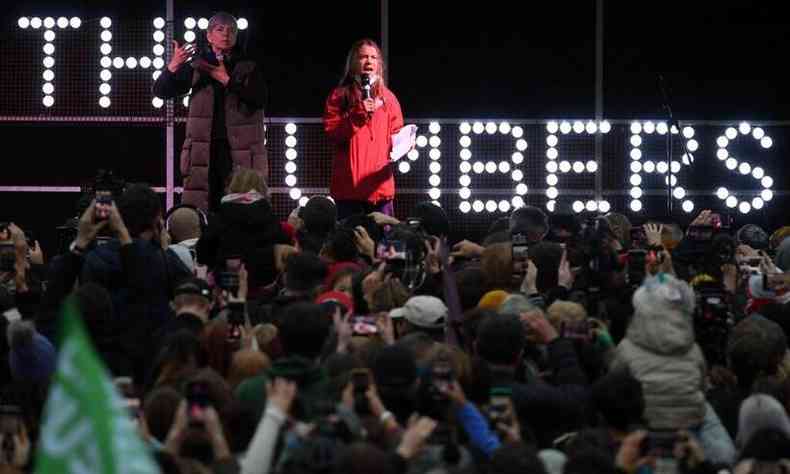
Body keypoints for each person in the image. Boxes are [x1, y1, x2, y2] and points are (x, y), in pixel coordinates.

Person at [153, 12, 267, 212]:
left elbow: (260, 99)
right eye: (220, 29)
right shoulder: (197, 65)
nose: (226, 34)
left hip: (238, 152)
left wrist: (227, 80)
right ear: (208, 35)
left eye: (231, 30)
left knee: (241, 209)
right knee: (204, 210)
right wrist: (173, 66)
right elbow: (161, 92)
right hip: (203, 152)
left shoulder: (248, 65)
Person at [323, 39, 406, 221]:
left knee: (384, 247)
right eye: (363, 57)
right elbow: (333, 133)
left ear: (379, 64)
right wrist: (358, 113)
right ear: (353, 62)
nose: (369, 61)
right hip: (349, 191)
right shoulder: (339, 96)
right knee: (351, 246)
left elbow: (396, 133)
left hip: (380, 189)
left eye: (373, 57)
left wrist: (406, 144)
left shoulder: (389, 99)